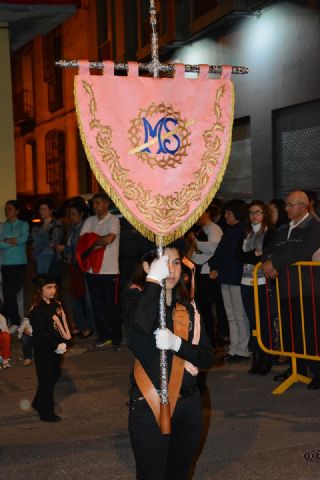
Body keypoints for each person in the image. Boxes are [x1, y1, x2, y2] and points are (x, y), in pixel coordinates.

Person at [123, 246, 214, 480]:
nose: (171, 270)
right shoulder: (135, 300)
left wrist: (177, 344)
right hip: (150, 405)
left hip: (189, 404)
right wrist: (153, 280)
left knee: (180, 474)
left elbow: (206, 357)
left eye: (175, 263)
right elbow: (140, 328)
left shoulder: (189, 307)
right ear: (147, 267)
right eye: (164, 263)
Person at [262, 190, 320, 390]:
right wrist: (266, 262)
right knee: (291, 330)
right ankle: (297, 368)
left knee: (311, 331)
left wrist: (274, 263)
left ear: (303, 206)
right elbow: (268, 249)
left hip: (307, 289)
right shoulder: (283, 228)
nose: (285, 208)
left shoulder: (314, 227)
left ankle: (317, 371)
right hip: (285, 288)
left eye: (290, 205)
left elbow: (302, 252)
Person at [236, 200, 276, 375]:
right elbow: (237, 255)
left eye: (257, 212)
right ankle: (257, 358)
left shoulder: (270, 232)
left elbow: (266, 255)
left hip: (263, 283)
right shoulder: (246, 232)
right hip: (246, 282)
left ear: (264, 213)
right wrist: (254, 255)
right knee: (252, 322)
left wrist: (252, 256)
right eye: (251, 212)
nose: (254, 216)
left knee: (264, 322)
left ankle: (267, 359)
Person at [209, 199, 250, 362]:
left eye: (229, 213)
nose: (226, 216)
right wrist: (215, 266)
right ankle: (234, 348)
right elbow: (219, 253)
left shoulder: (242, 231)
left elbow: (233, 255)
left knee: (239, 315)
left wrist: (216, 266)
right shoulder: (230, 230)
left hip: (236, 277)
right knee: (231, 315)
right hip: (226, 276)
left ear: (237, 214)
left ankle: (243, 349)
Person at [78, 192, 121, 349]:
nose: (94, 206)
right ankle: (104, 335)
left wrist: (93, 241)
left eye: (98, 203)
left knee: (111, 305)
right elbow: (83, 242)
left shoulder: (113, 220)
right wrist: (97, 242)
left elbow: (109, 239)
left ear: (106, 204)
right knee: (97, 306)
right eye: (93, 204)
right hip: (92, 271)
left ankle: (116, 338)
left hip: (109, 271)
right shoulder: (90, 220)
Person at [30, 274, 71, 422]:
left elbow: (60, 326)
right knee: (46, 381)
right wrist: (55, 346)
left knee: (54, 375)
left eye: (54, 287)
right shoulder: (37, 310)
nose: (53, 290)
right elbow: (41, 334)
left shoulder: (56, 305)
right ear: (40, 290)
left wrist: (65, 342)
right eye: (48, 288)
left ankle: (37, 402)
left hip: (57, 349)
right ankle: (46, 412)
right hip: (44, 351)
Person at [187, 205, 226, 347]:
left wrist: (195, 243)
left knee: (208, 307)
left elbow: (214, 247)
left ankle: (213, 337)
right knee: (203, 307)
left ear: (207, 213)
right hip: (200, 271)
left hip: (208, 273)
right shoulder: (201, 230)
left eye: (198, 212)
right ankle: (208, 336)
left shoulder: (214, 228)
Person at [55, 198, 94, 338]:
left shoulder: (85, 227)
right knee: (75, 296)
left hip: (83, 266)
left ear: (81, 214)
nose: (70, 217)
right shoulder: (72, 228)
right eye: (69, 214)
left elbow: (80, 247)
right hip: (73, 266)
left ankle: (89, 326)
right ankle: (79, 324)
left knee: (86, 297)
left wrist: (64, 248)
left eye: (73, 214)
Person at [0, 200, 29, 330]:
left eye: (10, 209)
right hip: (5, 263)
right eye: (6, 209)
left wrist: (5, 241)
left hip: (19, 263)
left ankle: (3, 319)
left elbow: (23, 239)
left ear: (17, 211)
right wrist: (11, 242)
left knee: (12, 293)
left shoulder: (23, 225)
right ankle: (16, 322)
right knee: (8, 294)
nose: (7, 211)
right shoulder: (2, 226)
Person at [30, 198, 64, 277]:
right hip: (39, 258)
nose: (42, 211)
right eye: (40, 209)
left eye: (44, 209)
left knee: (52, 283)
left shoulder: (56, 224)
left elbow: (53, 241)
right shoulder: (37, 225)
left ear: (51, 211)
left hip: (53, 259)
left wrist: (40, 243)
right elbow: (32, 241)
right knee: (42, 283)